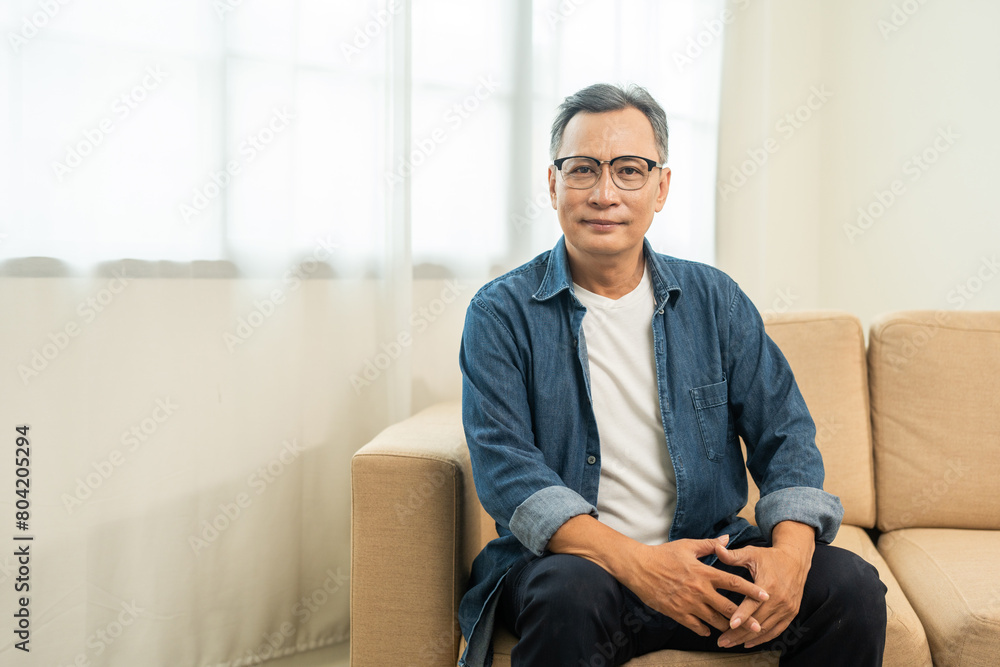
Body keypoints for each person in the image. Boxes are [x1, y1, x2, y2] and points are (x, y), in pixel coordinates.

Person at [457, 83, 886, 667]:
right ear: (553, 183)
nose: (604, 193)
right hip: (581, 570)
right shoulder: (499, 314)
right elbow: (508, 474)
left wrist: (789, 554)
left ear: (661, 187)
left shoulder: (715, 301)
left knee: (852, 588)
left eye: (629, 170)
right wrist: (641, 565)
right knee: (566, 596)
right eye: (583, 169)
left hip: (709, 556)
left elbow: (786, 436)